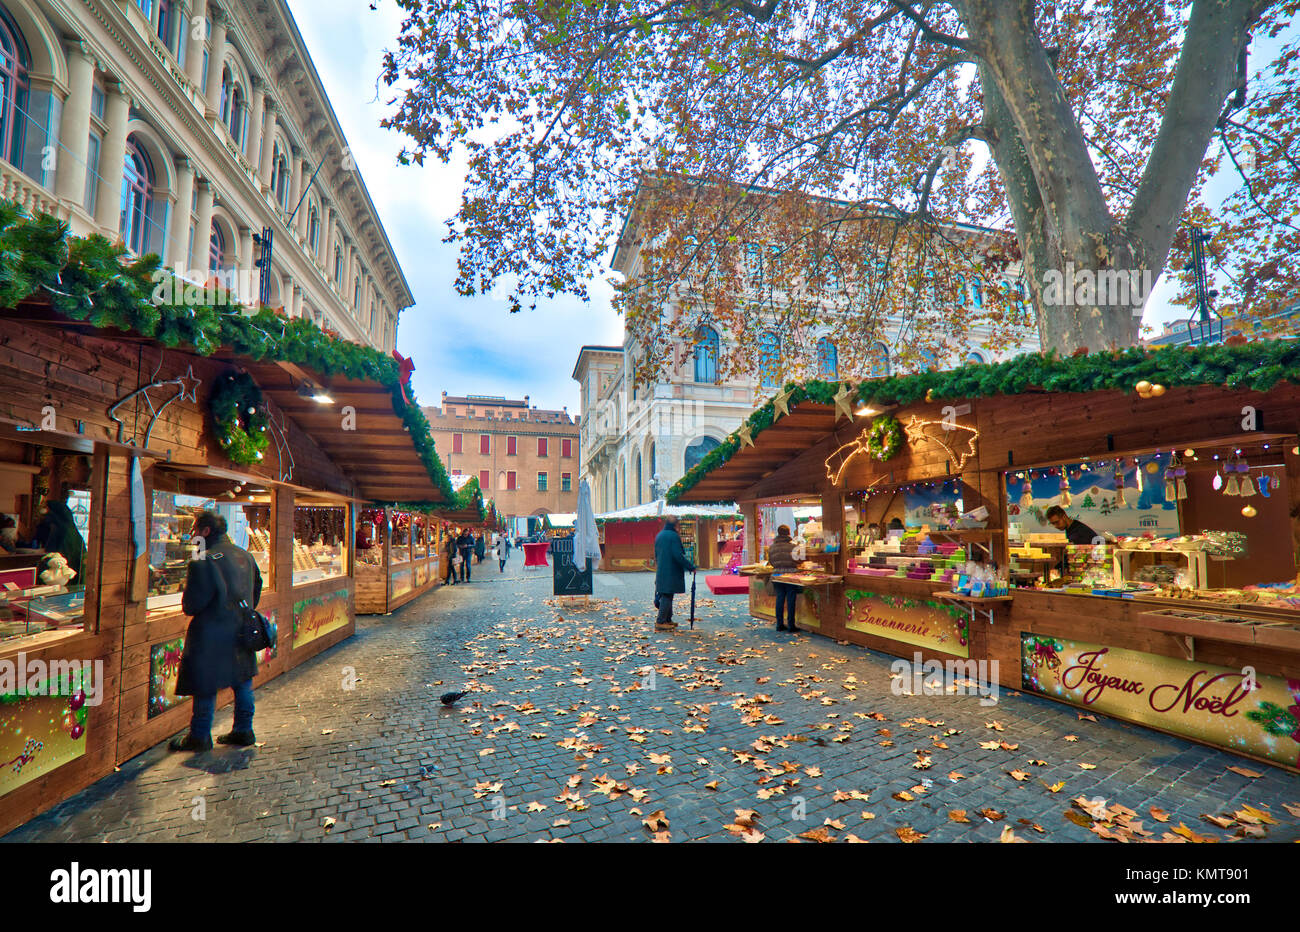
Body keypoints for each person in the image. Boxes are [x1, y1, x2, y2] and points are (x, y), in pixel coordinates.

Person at [170, 511, 262, 752]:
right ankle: (244, 730)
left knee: (205, 684)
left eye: (194, 529)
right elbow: (257, 590)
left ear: (206, 531)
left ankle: (199, 735)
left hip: (210, 634)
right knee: (242, 682)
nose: (192, 535)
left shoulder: (203, 561)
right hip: (242, 630)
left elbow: (192, 605)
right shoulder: (245, 555)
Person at [34, 490, 85, 585]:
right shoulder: (66, 528)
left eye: (48, 510)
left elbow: (57, 553)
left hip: (63, 573)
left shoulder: (63, 530)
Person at [653, 516, 694, 632]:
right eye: (679, 525)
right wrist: (690, 566)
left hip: (662, 569)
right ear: (676, 525)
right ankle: (661, 621)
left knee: (668, 594)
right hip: (671, 571)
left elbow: (656, 554)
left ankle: (667, 619)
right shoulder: (673, 536)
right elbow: (678, 555)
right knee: (667, 596)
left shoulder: (660, 535)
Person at [766, 524, 801, 633]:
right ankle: (791, 625)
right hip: (791, 575)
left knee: (780, 598)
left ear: (778, 533)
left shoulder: (771, 547)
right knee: (791, 599)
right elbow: (800, 561)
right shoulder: (794, 547)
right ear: (788, 533)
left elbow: (771, 562)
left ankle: (779, 624)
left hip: (776, 575)